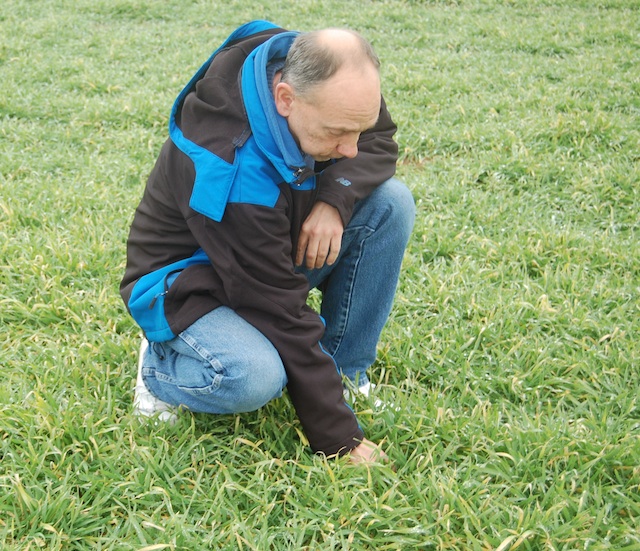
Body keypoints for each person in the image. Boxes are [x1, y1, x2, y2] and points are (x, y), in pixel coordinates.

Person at [120, 20, 415, 464]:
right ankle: (160, 366)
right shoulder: (230, 168)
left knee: (389, 202)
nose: (351, 148)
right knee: (254, 377)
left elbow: (376, 142)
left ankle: (344, 372)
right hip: (188, 282)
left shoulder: (325, 82)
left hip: (263, 246)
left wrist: (333, 201)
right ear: (285, 100)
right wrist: (340, 440)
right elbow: (279, 307)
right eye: (337, 133)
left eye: (358, 128)